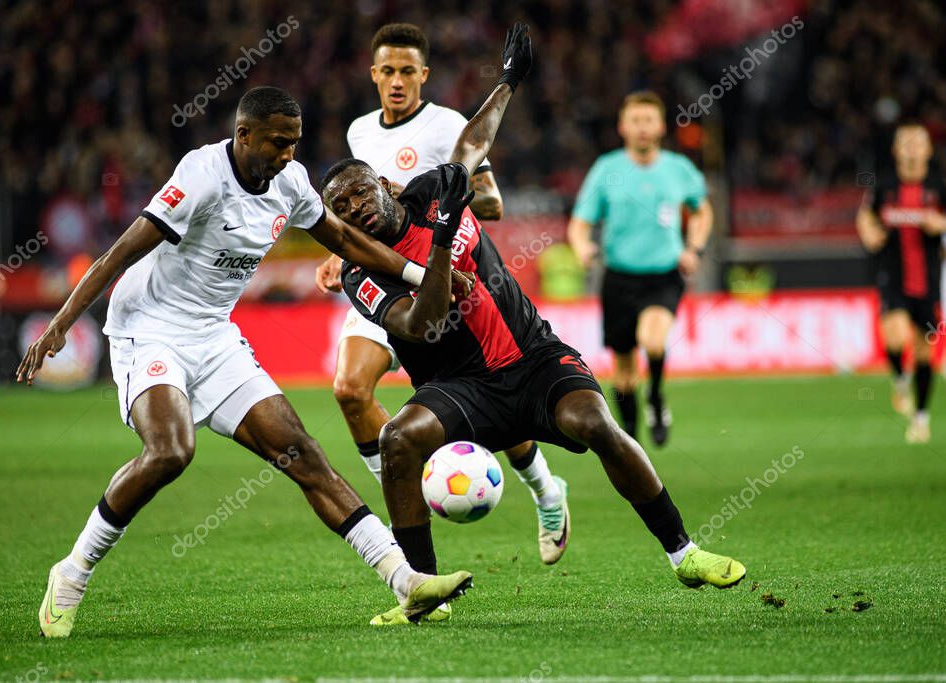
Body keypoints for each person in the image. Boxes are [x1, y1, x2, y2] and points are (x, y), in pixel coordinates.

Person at [321, 26, 745, 626]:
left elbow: (471, 144)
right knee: (397, 440)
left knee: (595, 421)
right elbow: (423, 322)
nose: (356, 209)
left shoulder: (430, 189)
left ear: (384, 184)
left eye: (360, 194)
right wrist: (442, 246)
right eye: (341, 211)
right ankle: (418, 591)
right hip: (460, 387)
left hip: (534, 356)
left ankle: (684, 552)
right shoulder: (364, 275)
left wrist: (507, 82)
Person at [17, 86, 474, 638]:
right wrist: (61, 322)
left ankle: (406, 581)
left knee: (303, 454)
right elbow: (123, 249)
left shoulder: (290, 183)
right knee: (171, 451)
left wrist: (425, 276)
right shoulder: (202, 175)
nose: (287, 154)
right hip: (149, 329)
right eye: (277, 143)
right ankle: (72, 573)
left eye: (294, 143)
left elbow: (347, 241)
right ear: (244, 135)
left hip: (214, 337)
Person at [314, 23, 568, 567]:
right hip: (384, 278)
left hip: (446, 273)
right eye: (388, 71)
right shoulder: (360, 132)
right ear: (374, 74)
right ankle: (403, 503)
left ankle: (547, 491)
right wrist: (345, 246)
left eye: (408, 71)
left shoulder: (447, 125)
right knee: (349, 390)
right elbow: (354, 210)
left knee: (486, 395)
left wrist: (422, 203)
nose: (398, 81)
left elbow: (491, 203)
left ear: (424, 75)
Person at [567, 91, 713, 447]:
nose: (643, 128)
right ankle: (631, 441)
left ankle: (657, 398)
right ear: (623, 126)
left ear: (661, 126)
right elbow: (580, 223)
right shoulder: (607, 169)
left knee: (654, 340)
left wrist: (694, 248)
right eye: (636, 120)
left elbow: (702, 210)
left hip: (663, 275)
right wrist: (582, 247)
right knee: (624, 374)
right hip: (619, 278)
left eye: (649, 120)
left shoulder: (679, 170)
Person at [857, 122, 946, 443]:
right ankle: (899, 378)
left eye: (917, 142)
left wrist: (941, 224)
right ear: (895, 150)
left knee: (925, 353)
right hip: (891, 274)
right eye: (904, 142)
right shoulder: (883, 185)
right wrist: (868, 232)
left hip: (928, 278)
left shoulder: (939, 186)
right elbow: (866, 215)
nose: (910, 148)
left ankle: (921, 417)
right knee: (894, 336)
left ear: (928, 150)